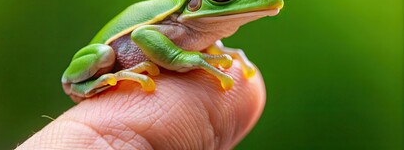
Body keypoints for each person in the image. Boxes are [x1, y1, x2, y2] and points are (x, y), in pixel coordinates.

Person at [16, 61, 265, 149]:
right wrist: (182, 58)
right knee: (103, 55)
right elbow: (142, 35)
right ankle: (92, 81)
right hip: (106, 55)